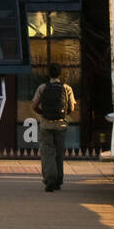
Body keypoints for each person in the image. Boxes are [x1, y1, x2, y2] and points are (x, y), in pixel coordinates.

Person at [32, 63, 75, 192]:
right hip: (61, 125)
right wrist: (63, 115)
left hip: (46, 124)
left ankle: (49, 179)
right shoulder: (67, 88)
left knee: (47, 152)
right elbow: (71, 108)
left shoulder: (42, 88)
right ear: (60, 74)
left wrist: (43, 114)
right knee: (59, 153)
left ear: (48, 74)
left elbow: (34, 106)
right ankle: (58, 180)